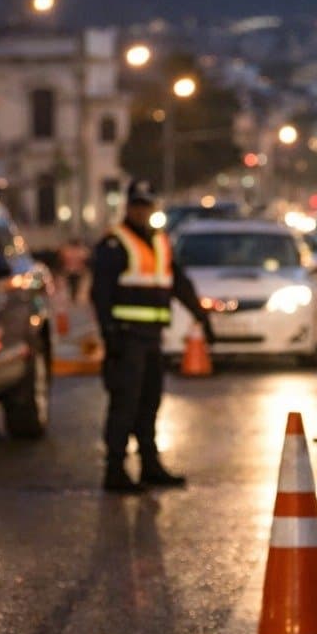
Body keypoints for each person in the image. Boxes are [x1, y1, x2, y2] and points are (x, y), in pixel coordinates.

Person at [92, 180, 213, 493]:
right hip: (126, 338)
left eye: (147, 205)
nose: (142, 211)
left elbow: (178, 282)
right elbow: (101, 293)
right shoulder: (114, 243)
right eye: (137, 205)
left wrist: (201, 315)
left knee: (149, 403)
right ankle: (115, 469)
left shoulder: (159, 242)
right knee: (124, 403)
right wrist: (110, 334)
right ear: (128, 207)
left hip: (151, 339)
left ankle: (150, 465)